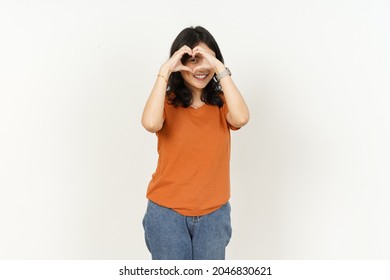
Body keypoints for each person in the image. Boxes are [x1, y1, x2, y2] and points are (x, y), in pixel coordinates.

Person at [141, 26, 250, 260]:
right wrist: (165, 71)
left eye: (206, 59)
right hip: (166, 215)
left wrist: (219, 67)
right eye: (191, 60)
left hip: (214, 216)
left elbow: (241, 118)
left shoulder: (222, 103)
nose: (200, 68)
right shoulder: (167, 102)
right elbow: (150, 123)